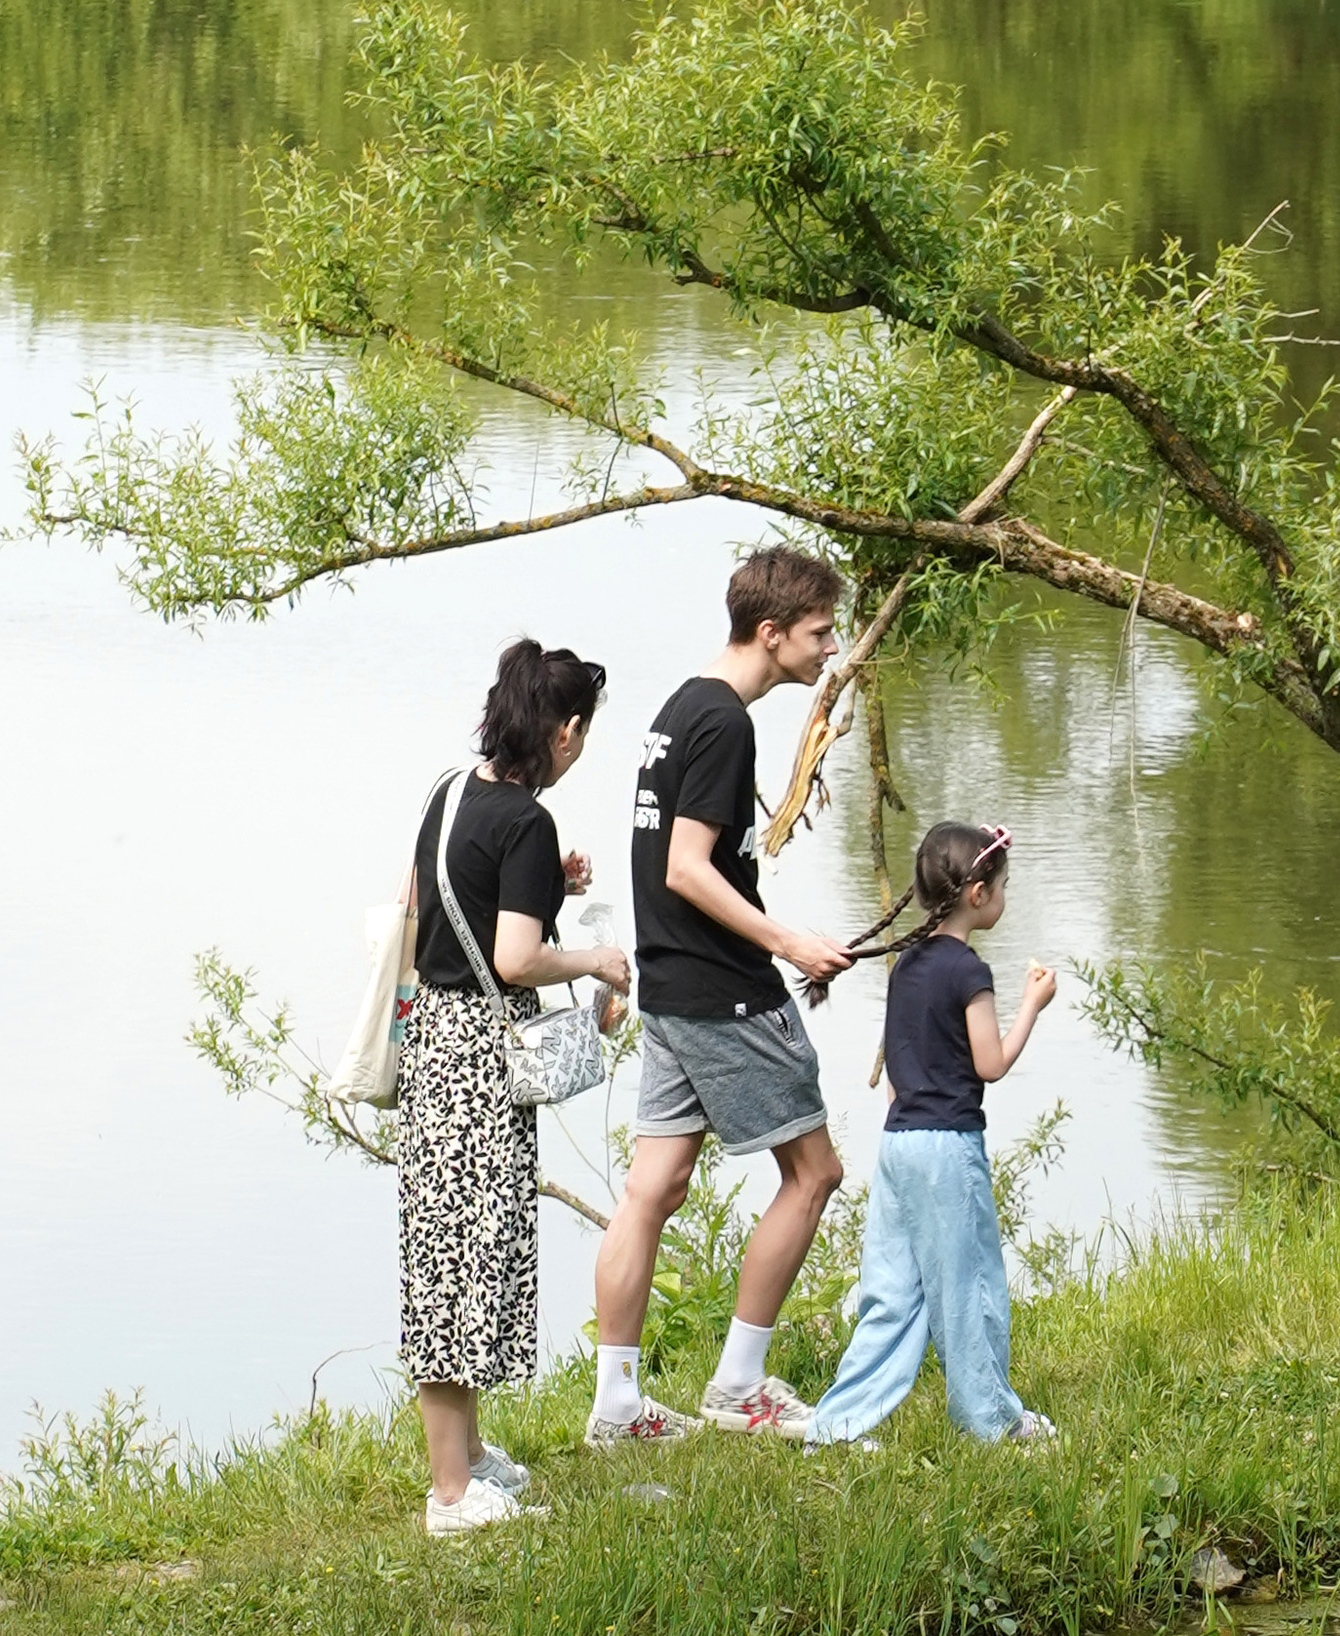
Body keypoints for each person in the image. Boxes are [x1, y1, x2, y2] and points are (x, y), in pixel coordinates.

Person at [590, 543, 855, 1448]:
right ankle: (739, 1385)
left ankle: (617, 1404)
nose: (831, 649)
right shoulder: (726, 724)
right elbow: (688, 869)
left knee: (652, 1188)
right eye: (820, 633)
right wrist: (792, 944)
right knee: (815, 1173)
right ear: (771, 632)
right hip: (721, 993)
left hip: (667, 985)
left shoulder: (680, 707)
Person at [399, 640, 630, 1537]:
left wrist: (542, 888)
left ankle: (468, 1456)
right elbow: (515, 957)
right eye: (584, 735)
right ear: (565, 732)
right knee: (464, 1259)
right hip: (481, 1059)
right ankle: (451, 1494)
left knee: (450, 1249)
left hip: (434, 1046)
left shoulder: (450, 792)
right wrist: (599, 958)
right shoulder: (526, 822)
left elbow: (426, 895)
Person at [803, 821, 1057, 1448]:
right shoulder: (968, 971)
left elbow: (896, 1064)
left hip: (899, 1142)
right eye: (1003, 885)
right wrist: (1032, 1004)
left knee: (889, 1291)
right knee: (969, 1287)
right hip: (947, 1149)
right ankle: (991, 1421)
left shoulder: (907, 966)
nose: (1005, 895)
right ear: (977, 895)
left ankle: (836, 1428)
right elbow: (990, 1064)